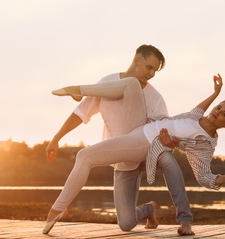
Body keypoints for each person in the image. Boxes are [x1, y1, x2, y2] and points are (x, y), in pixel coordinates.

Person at [43, 74, 225, 235]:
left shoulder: (205, 144)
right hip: (141, 126)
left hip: (146, 144)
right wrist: (215, 93)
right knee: (126, 224)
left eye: (224, 114)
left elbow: (203, 174)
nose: (218, 112)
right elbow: (201, 108)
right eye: (218, 108)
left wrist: (222, 178)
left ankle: (57, 209)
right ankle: (148, 210)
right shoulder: (195, 117)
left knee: (85, 156)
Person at [44, 45, 194, 235]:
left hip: (147, 152)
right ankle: (149, 209)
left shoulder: (155, 97)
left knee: (167, 158)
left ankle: (185, 220)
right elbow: (81, 113)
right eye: (149, 67)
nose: (151, 74)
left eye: (155, 71)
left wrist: (171, 142)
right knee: (126, 223)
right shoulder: (106, 83)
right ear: (136, 60)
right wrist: (56, 138)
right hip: (122, 158)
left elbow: (162, 131)